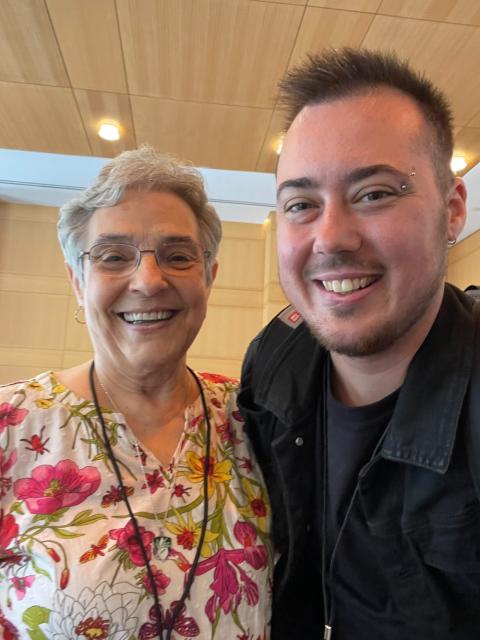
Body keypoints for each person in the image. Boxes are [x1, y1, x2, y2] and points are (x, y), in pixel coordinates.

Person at [238, 48, 480, 640]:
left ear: (452, 211)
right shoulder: (273, 359)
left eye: (373, 194)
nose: (331, 238)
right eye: (301, 205)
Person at [0, 146, 273, 639]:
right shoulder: (11, 426)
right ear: (77, 282)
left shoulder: (256, 420)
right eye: (113, 257)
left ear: (209, 278)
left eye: (178, 256)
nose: (148, 281)